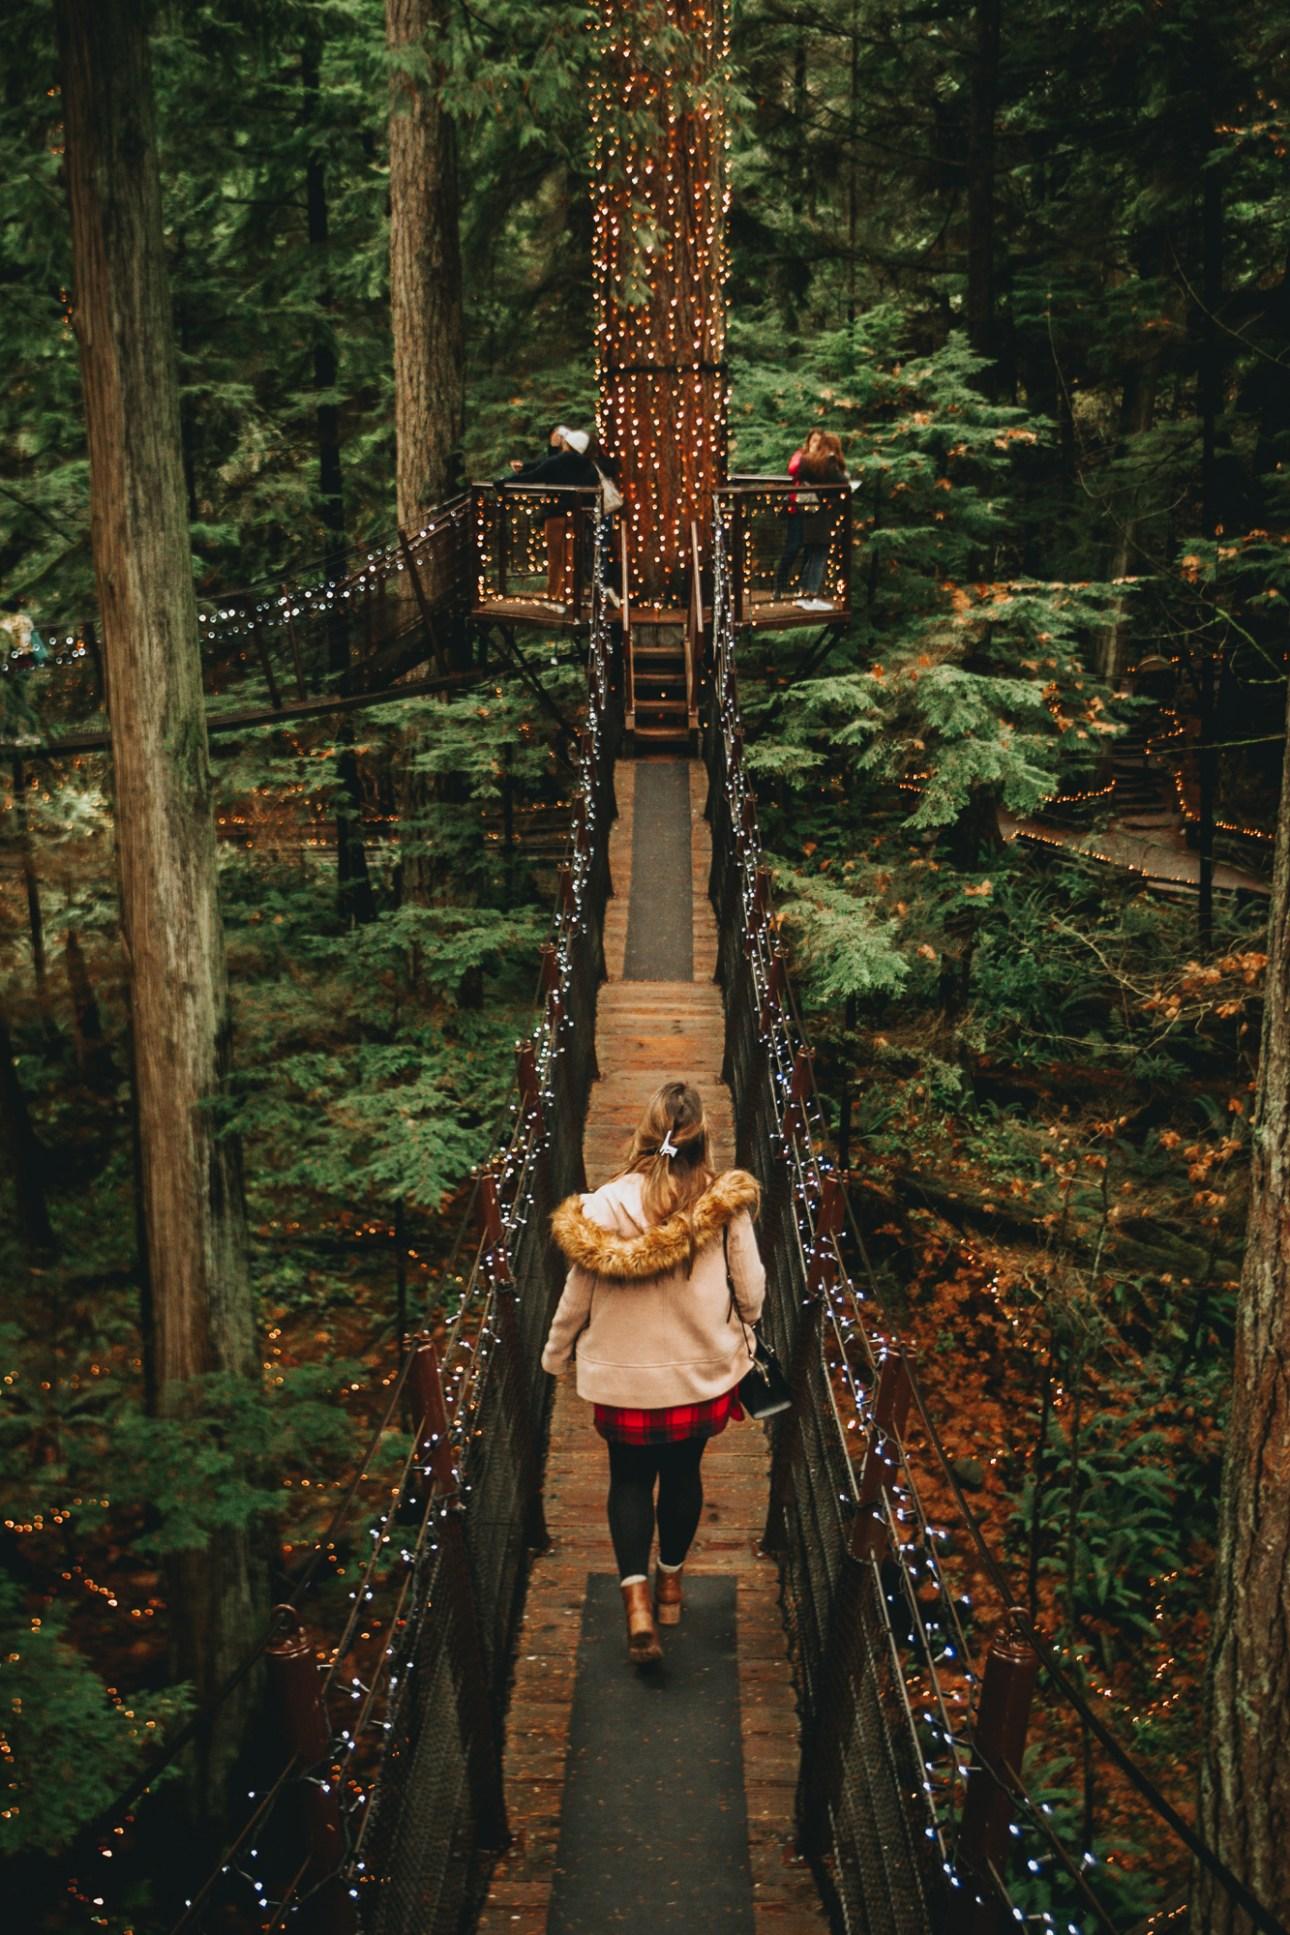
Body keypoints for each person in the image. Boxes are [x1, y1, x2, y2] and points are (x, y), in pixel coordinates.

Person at [543, 1081, 765, 1665]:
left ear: (644, 1134)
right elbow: (752, 1289)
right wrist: (747, 1324)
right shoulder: (725, 1202)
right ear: (702, 1141)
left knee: (629, 1481)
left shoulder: (602, 1206)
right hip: (700, 1376)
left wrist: (556, 1350)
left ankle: (635, 1602)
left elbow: (577, 1291)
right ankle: (669, 1585)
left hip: (622, 1381)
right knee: (684, 1473)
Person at [497, 425, 599, 610]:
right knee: (571, 559)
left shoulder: (558, 462)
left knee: (555, 559)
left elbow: (533, 476)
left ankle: (554, 598)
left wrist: (505, 482)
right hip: (577, 517)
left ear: (568, 445)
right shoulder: (589, 467)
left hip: (556, 515)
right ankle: (569, 597)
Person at [773, 428, 848, 609]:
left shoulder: (807, 461)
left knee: (811, 554)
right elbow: (842, 484)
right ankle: (810, 596)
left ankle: (803, 595)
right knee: (819, 554)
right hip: (820, 514)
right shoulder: (827, 463)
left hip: (805, 511)